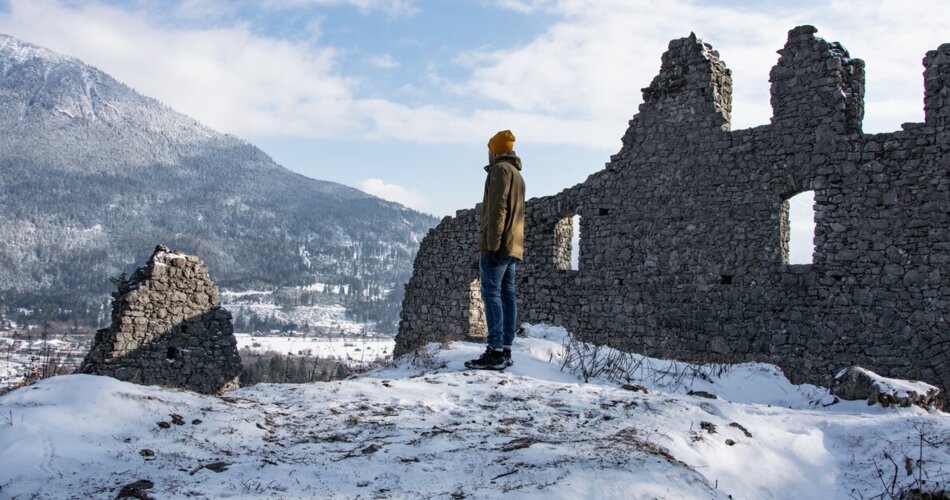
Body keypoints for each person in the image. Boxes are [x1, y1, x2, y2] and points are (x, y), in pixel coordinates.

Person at [465, 130, 525, 371]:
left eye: (490, 148)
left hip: (498, 244)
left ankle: (495, 351)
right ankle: (505, 348)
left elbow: (497, 209)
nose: (488, 153)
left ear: (497, 150)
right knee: (507, 294)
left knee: (491, 294)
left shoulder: (500, 170)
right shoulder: (518, 175)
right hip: (513, 244)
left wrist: (491, 244)